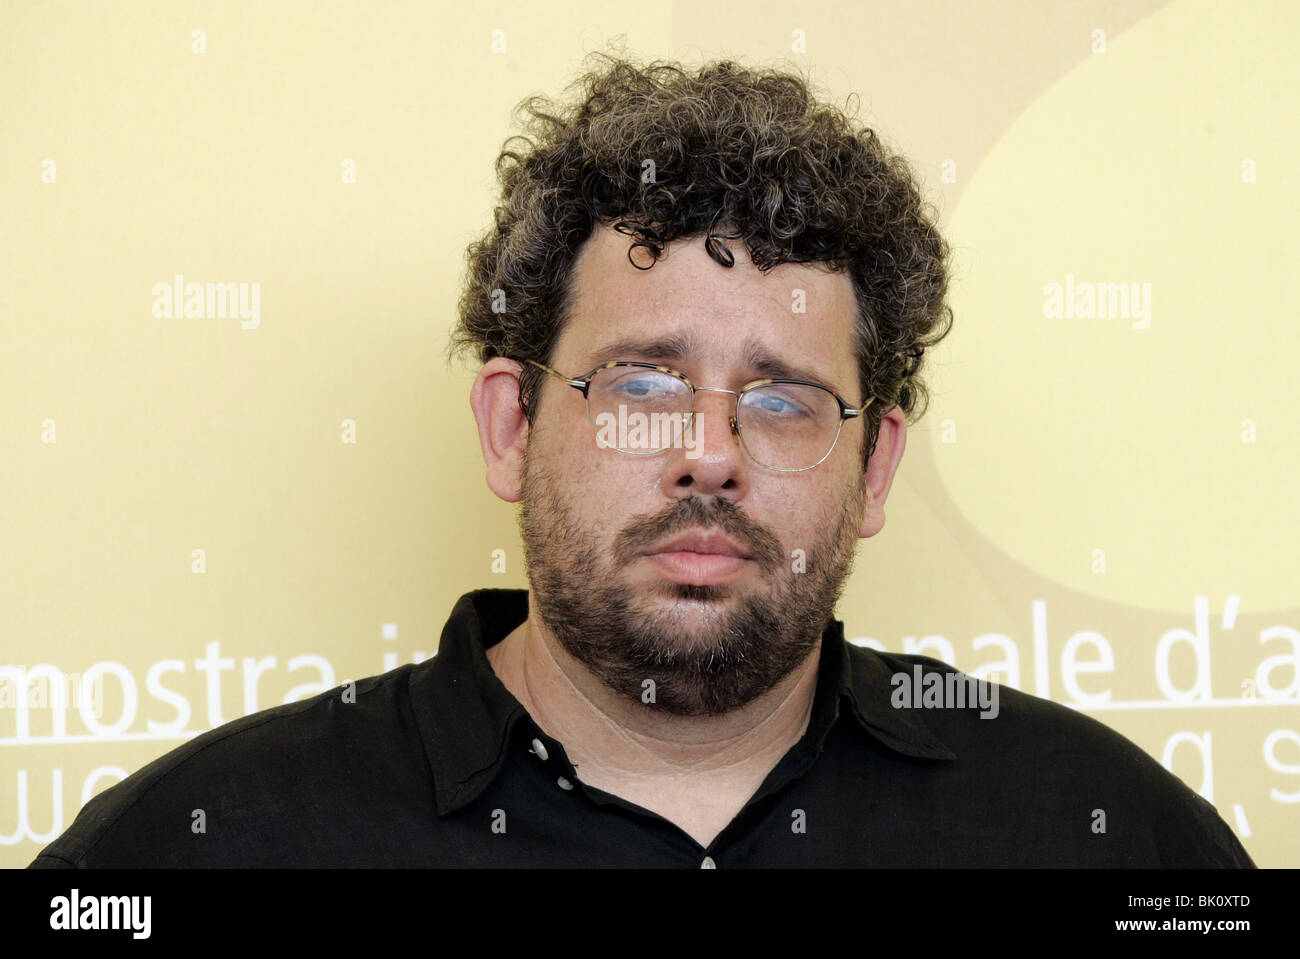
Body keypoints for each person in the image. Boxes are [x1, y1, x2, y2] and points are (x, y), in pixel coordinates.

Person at [30, 53, 1252, 868]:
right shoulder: (194, 849)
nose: (707, 455)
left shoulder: (1111, 840)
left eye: (780, 398)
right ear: (512, 426)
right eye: (643, 385)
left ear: (874, 466)